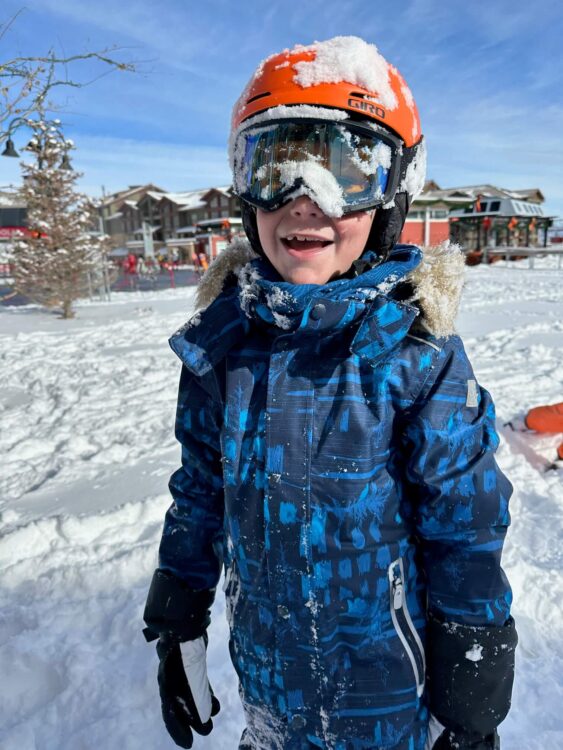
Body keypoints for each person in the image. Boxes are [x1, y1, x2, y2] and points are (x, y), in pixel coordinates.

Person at [143, 36, 517, 750]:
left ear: (388, 199)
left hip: (386, 702)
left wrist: (472, 697)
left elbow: (463, 532)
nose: (302, 203)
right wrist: (178, 617)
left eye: (343, 173)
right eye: (273, 170)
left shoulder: (415, 359)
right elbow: (199, 491)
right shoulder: (220, 351)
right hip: (269, 700)